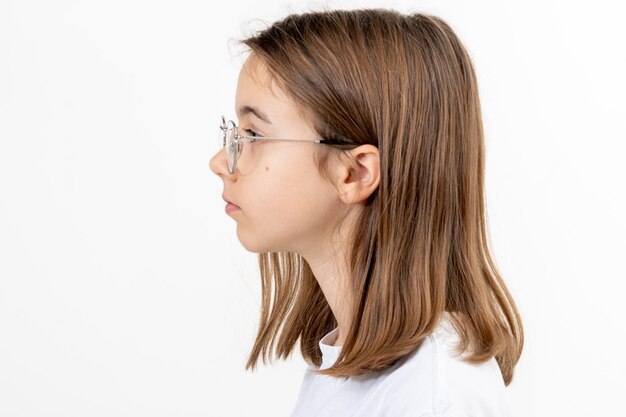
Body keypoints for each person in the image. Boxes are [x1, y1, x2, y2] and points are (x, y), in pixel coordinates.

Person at [209, 8, 524, 417]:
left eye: (253, 135)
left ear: (355, 172)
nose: (221, 161)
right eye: (234, 133)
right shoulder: (349, 365)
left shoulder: (433, 392)